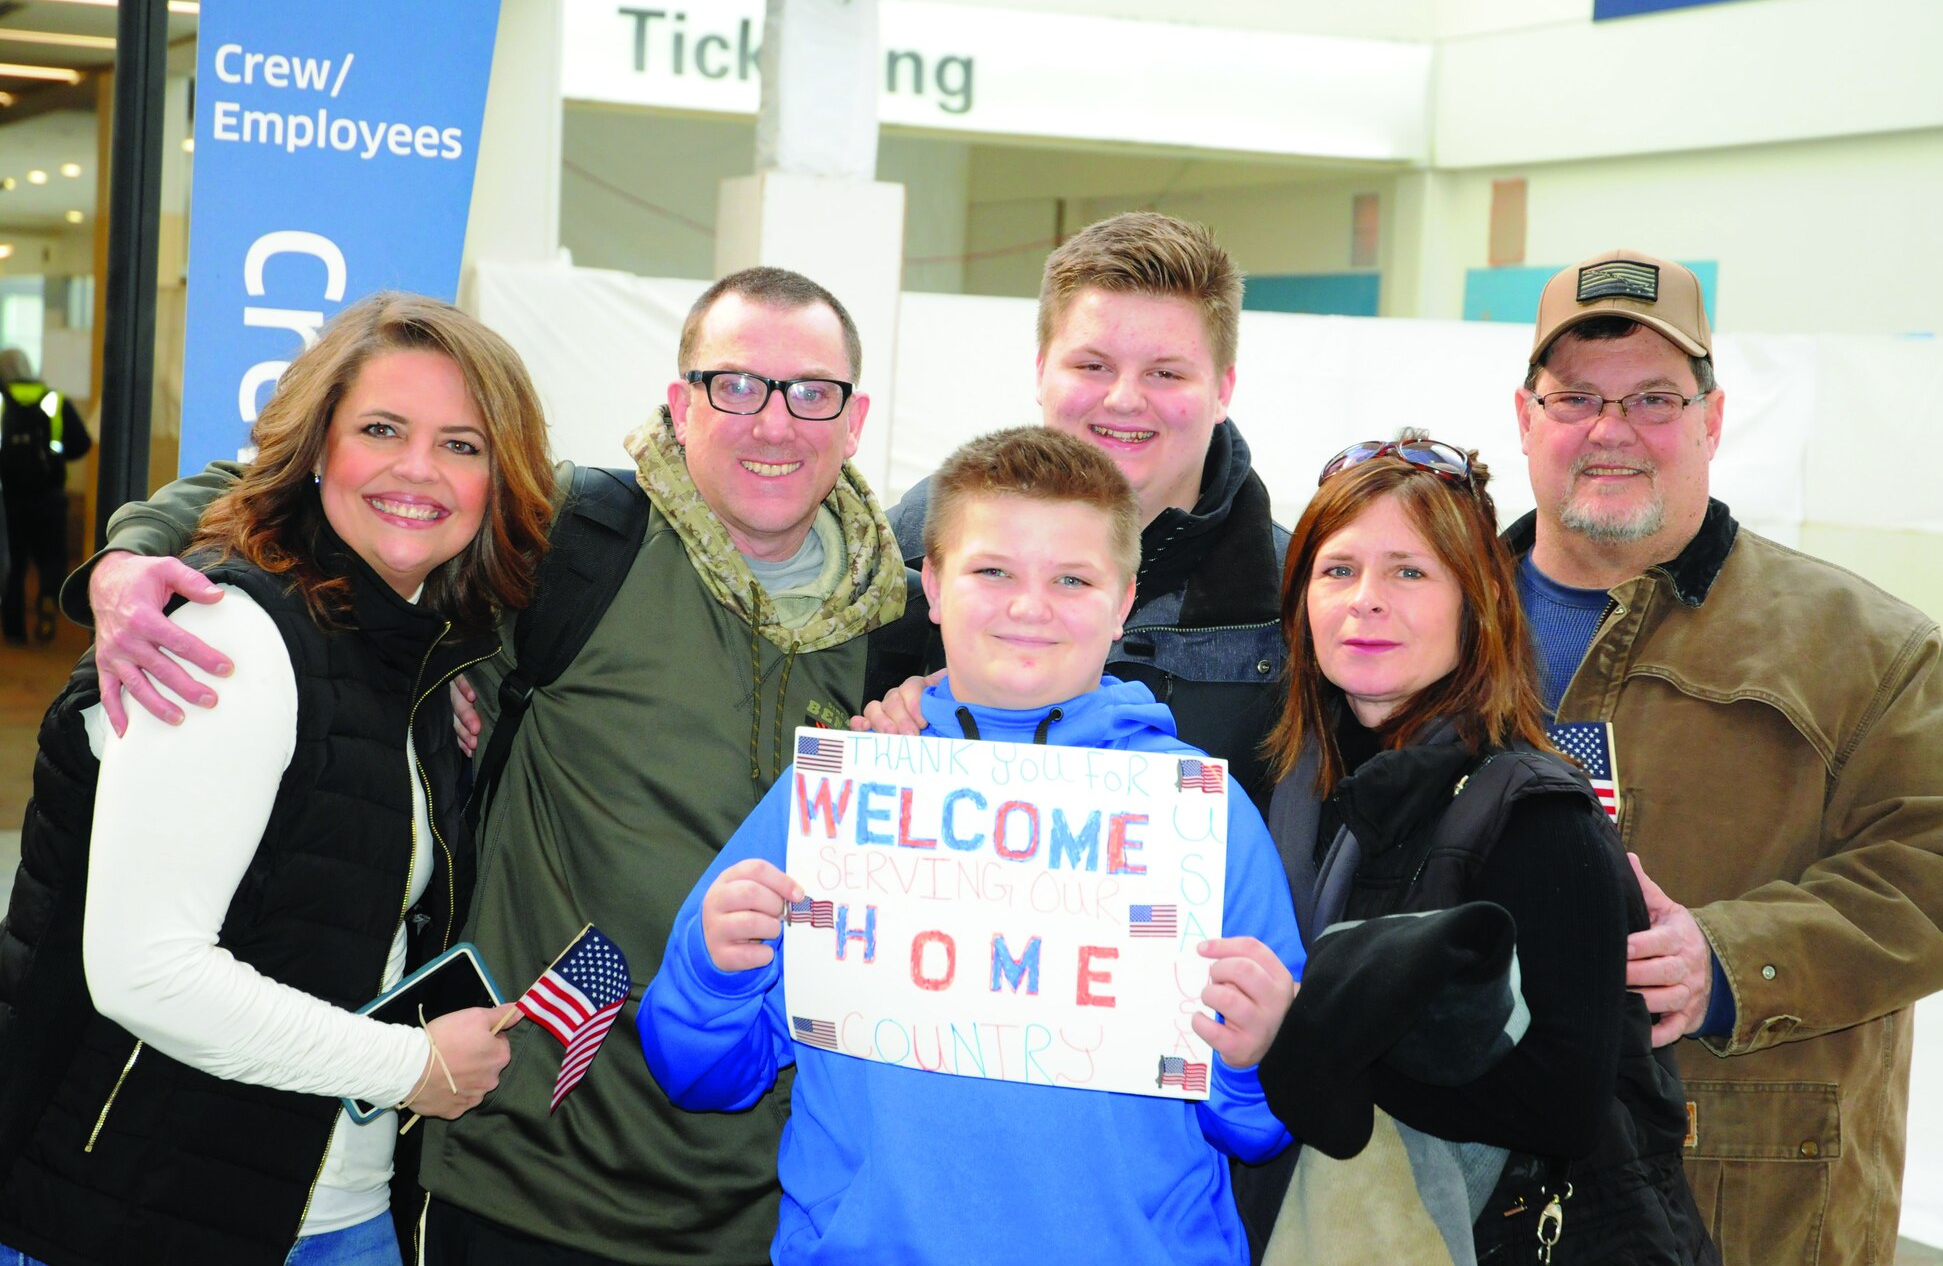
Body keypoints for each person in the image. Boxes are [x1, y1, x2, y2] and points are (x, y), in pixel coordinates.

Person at [54, 267, 909, 1264]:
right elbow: (318, 490)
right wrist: (131, 555)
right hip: (523, 1171)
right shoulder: (576, 538)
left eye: (811, 391)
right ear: (680, 405)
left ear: (853, 421)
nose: (773, 422)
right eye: (734, 385)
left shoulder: (904, 624)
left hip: (773, 1195)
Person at [640, 425, 1305, 1266]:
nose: (1030, 607)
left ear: (1123, 602)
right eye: (993, 571)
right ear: (936, 586)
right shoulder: (843, 797)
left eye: (1072, 578)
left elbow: (1261, 1130)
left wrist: (1259, 1057)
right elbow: (698, 1076)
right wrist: (711, 969)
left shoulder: (1201, 822)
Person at [0, 292, 548, 1264]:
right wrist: (412, 1063)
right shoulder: (227, 631)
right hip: (149, 1210)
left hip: (332, 1206)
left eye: (462, 443)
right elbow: (144, 969)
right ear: (314, 446)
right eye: (382, 428)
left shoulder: (406, 649)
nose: (420, 468)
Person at [1509, 250, 1943, 1265]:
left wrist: (1728, 959)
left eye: (1652, 397)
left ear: (1711, 418)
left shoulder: (1861, 646)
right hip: (1464, 1175)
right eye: (1577, 398)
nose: (1610, 430)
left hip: (1743, 1201)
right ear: (1525, 417)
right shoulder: (1423, 616)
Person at [1251, 435, 1715, 1264]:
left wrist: (1308, 1035)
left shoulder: (1537, 815)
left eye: (1410, 572)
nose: (1366, 600)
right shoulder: (1287, 795)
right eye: (1337, 570)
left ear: (1478, 605)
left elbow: (1562, 1105)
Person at [868, 212, 1289, 805]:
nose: (1123, 400)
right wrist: (889, 728)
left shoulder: (1295, 594)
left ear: (1223, 390)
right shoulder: (910, 543)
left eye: (1165, 372)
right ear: (1041, 370)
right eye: (1093, 366)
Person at [1, 347, 92, 644]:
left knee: (13, 563)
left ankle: (13, 629)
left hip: (9, 498)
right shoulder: (53, 400)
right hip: (49, 496)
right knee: (52, 557)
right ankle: (48, 602)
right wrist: (54, 459)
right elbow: (81, 443)